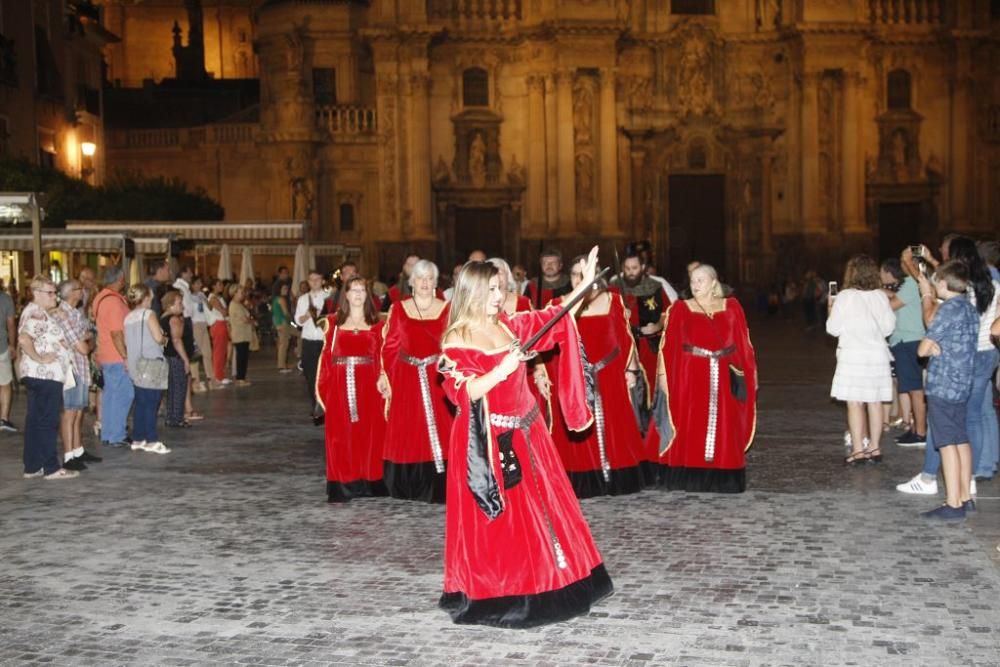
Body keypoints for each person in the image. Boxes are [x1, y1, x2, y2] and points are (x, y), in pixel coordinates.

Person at [436, 248, 612, 628]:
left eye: (501, 289)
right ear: (473, 292)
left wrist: (583, 286)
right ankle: (511, 593)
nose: (499, 297)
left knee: (545, 511)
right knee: (508, 522)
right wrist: (504, 368)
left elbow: (553, 318)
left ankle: (556, 579)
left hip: (529, 431)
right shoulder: (456, 339)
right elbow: (463, 393)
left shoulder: (507, 324)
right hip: (490, 442)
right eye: (493, 291)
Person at [657, 264, 757, 492]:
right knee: (692, 423)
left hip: (724, 374)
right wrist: (664, 376)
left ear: (714, 282)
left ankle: (723, 475)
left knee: (726, 422)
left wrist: (751, 374)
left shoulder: (732, 307)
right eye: (692, 281)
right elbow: (668, 345)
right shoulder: (681, 309)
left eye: (701, 280)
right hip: (691, 376)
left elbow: (744, 344)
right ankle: (692, 475)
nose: (695, 285)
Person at [552, 256, 645, 498]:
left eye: (584, 274)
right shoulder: (559, 305)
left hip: (610, 373)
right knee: (579, 431)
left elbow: (625, 339)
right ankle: (586, 478)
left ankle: (617, 476)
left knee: (617, 425)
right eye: (574, 274)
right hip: (575, 377)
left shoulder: (613, 301)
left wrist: (631, 370)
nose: (579, 279)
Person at [381, 260, 452, 502]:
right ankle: (408, 485)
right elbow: (391, 346)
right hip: (407, 376)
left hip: (437, 376)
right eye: (420, 278)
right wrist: (386, 377)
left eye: (429, 278)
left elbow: (453, 344)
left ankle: (441, 483)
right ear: (412, 282)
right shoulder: (399, 309)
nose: (424, 282)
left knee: (444, 429)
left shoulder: (447, 309)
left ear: (435, 282)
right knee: (409, 430)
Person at [316, 276, 389, 502]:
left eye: (362, 290)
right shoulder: (332, 323)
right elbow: (325, 358)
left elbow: (383, 356)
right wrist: (325, 391)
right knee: (341, 435)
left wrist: (384, 378)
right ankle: (343, 483)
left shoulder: (378, 324)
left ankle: (370, 481)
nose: (358, 294)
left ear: (367, 295)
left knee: (370, 434)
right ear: (345, 295)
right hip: (339, 386)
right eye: (353, 290)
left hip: (369, 384)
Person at [917, 260, 979, 521]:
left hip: (943, 384)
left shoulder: (948, 310)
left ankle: (953, 503)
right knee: (961, 439)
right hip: (963, 382)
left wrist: (930, 347)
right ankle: (965, 496)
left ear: (943, 284)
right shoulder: (970, 309)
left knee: (946, 443)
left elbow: (922, 348)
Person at [826, 255, 897, 465]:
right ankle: (874, 448)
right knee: (875, 402)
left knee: (855, 404)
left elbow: (833, 328)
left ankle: (858, 450)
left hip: (852, 355)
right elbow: (888, 328)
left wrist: (831, 307)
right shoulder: (881, 296)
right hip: (877, 355)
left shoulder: (845, 296)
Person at [610, 250, 669, 483]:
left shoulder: (655, 285)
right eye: (628, 268)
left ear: (642, 267)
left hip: (649, 346)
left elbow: (669, 311)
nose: (631, 272)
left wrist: (657, 326)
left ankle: (652, 448)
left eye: (635, 268)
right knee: (629, 396)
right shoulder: (613, 287)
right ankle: (632, 445)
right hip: (624, 346)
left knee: (653, 395)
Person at [18, 276, 78, 480]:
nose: (55, 297)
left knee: (35, 419)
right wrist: (40, 357)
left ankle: (33, 465)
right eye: (50, 293)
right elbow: (24, 339)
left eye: (55, 292)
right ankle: (51, 468)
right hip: (45, 374)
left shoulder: (36, 312)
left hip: (38, 374)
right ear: (36, 294)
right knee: (47, 421)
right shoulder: (36, 313)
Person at [881, 256, 928, 453]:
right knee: (909, 387)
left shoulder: (910, 284)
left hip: (909, 341)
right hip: (904, 341)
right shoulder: (908, 284)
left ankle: (920, 432)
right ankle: (915, 429)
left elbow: (891, 305)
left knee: (915, 390)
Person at [55, 280, 100, 470]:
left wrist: (88, 339)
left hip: (80, 368)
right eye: (79, 289)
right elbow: (83, 346)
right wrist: (89, 342)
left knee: (78, 411)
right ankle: (68, 455)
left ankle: (77, 450)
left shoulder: (74, 312)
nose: (83, 291)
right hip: (70, 369)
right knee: (69, 412)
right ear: (71, 293)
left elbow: (88, 332)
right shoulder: (63, 315)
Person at [123, 285, 170, 454]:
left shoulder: (128, 317)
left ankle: (138, 438)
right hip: (151, 362)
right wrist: (165, 339)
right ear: (147, 298)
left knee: (141, 403)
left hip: (135, 364)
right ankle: (151, 440)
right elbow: (158, 337)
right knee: (152, 402)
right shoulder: (149, 314)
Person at [93, 266, 134, 447]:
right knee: (124, 394)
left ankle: (108, 433)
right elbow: (117, 333)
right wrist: (125, 357)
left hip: (106, 354)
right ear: (119, 280)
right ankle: (117, 434)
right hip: (116, 356)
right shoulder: (114, 302)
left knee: (110, 395)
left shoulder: (100, 298)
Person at [296, 270, 329, 422]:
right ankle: (316, 404)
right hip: (309, 341)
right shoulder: (303, 299)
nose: (314, 282)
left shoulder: (329, 297)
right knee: (310, 375)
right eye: (311, 279)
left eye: (317, 279)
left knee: (324, 375)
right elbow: (298, 321)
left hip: (324, 340)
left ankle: (325, 405)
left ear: (322, 281)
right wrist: (308, 315)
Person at [162, 290, 193, 428]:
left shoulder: (162, 318)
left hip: (168, 357)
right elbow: (177, 340)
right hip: (176, 357)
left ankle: (172, 417)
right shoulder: (173, 319)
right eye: (179, 303)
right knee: (179, 387)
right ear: (170, 305)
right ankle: (177, 419)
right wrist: (185, 359)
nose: (182, 306)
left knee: (172, 389)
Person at [189, 276, 217, 390]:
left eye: (200, 283)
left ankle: (211, 378)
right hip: (195, 325)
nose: (200, 285)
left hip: (204, 324)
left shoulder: (201, 295)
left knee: (207, 353)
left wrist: (207, 301)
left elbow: (209, 309)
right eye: (197, 283)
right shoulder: (189, 297)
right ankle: (195, 382)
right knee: (196, 354)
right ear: (192, 285)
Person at [228, 284, 254, 386]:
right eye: (241, 292)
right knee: (241, 357)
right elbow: (244, 319)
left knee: (244, 356)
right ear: (234, 293)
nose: (243, 295)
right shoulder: (234, 305)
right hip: (239, 334)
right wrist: (252, 321)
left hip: (244, 334)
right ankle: (240, 378)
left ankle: (242, 376)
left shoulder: (239, 304)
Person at [207, 279, 231, 385]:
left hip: (222, 324)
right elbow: (223, 311)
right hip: (218, 324)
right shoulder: (213, 298)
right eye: (219, 284)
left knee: (223, 351)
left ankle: (221, 374)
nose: (221, 286)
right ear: (213, 286)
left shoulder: (219, 297)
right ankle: (218, 376)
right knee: (219, 351)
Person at [0, 278, 16, 432]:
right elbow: (10, 324)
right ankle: (3, 418)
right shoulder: (5, 299)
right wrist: (12, 344)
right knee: (4, 384)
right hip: (2, 347)